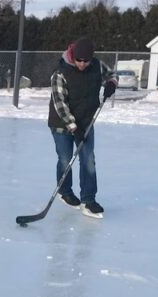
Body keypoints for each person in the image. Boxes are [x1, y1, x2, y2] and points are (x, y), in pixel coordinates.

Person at [48, 37, 117, 219]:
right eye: (79, 60)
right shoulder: (60, 72)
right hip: (61, 123)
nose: (82, 64)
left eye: (86, 61)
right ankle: (65, 191)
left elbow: (112, 74)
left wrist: (111, 84)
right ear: (73, 56)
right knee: (65, 159)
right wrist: (73, 127)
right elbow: (60, 104)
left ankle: (88, 200)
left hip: (85, 121)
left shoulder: (96, 66)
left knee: (88, 160)